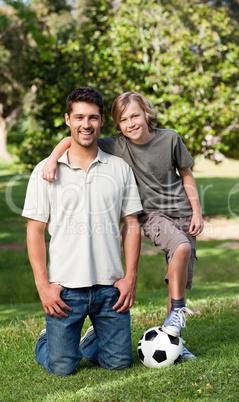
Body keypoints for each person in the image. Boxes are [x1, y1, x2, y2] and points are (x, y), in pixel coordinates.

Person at [42, 91, 204, 360]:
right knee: (182, 247)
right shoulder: (118, 145)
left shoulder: (171, 138)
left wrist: (197, 212)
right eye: (123, 120)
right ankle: (176, 314)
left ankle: (173, 338)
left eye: (135, 116)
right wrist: (52, 158)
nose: (131, 124)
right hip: (151, 214)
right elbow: (74, 137)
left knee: (178, 280)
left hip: (184, 213)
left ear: (146, 114)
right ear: (117, 124)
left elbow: (187, 174)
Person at [22, 87, 142, 376]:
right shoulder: (47, 170)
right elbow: (35, 231)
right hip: (65, 289)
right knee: (62, 368)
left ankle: (89, 339)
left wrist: (130, 277)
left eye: (92, 118)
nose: (85, 124)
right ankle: (46, 339)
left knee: (120, 363)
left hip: (110, 287)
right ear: (67, 119)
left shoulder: (119, 168)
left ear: (102, 121)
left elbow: (132, 224)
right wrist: (43, 286)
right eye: (78, 117)